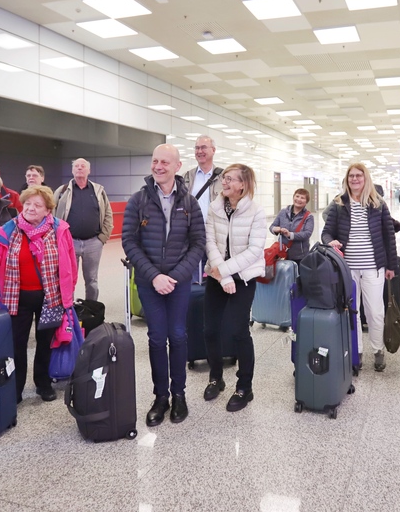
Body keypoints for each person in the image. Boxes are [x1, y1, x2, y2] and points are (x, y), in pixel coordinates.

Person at [122, 144, 205, 426]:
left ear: (177, 167)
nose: (158, 166)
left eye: (165, 162)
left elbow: (198, 244)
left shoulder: (189, 203)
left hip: (179, 282)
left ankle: (179, 394)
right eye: (155, 161)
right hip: (149, 283)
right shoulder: (139, 200)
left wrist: (177, 276)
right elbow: (129, 242)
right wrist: (154, 276)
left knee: (178, 336)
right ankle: (160, 397)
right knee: (157, 338)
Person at [0, 186, 78, 404]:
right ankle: (15, 387)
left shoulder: (60, 229)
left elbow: (70, 262)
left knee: (45, 343)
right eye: (27, 204)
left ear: (48, 210)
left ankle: (43, 383)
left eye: (37, 205)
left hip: (51, 296)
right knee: (17, 344)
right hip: (17, 297)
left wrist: (68, 293)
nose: (31, 209)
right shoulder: (10, 228)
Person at [321, 163, 398, 372]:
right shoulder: (339, 204)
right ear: (347, 180)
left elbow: (389, 236)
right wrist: (330, 242)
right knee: (351, 311)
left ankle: (377, 349)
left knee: (375, 311)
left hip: (374, 266)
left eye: (359, 176)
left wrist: (391, 265)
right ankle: (357, 351)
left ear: (366, 179)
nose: (354, 179)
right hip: (347, 268)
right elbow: (326, 232)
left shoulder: (378, 204)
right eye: (351, 176)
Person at [203, 164, 267, 412]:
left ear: (243, 184)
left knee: (238, 331)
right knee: (210, 330)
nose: (224, 182)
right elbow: (210, 242)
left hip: (244, 277)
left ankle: (245, 387)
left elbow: (254, 251)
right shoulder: (214, 207)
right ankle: (216, 378)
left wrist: (228, 272)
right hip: (218, 275)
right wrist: (222, 275)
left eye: (230, 179)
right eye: (224, 178)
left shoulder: (257, 212)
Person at [53, 158, 113, 301]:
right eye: (77, 166)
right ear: (72, 171)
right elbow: (52, 215)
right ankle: (69, 311)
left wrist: (102, 238)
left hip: (93, 242)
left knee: (92, 280)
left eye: (83, 166)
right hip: (69, 243)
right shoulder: (61, 191)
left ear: (89, 171)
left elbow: (108, 214)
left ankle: (91, 308)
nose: (80, 168)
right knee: (68, 278)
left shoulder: (99, 190)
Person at [182, 135, 224, 218]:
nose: (199, 151)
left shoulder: (223, 177)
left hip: (215, 229)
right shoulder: (186, 177)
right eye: (197, 148)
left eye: (203, 147)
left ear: (213, 150)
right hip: (192, 228)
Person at [269, 188, 314, 261]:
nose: (299, 199)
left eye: (302, 198)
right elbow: (272, 226)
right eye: (297, 196)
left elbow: (307, 233)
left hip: (300, 256)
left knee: (298, 272)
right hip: (282, 253)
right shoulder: (283, 212)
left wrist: (290, 235)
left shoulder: (308, 217)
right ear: (293, 197)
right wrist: (276, 229)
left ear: (306, 202)